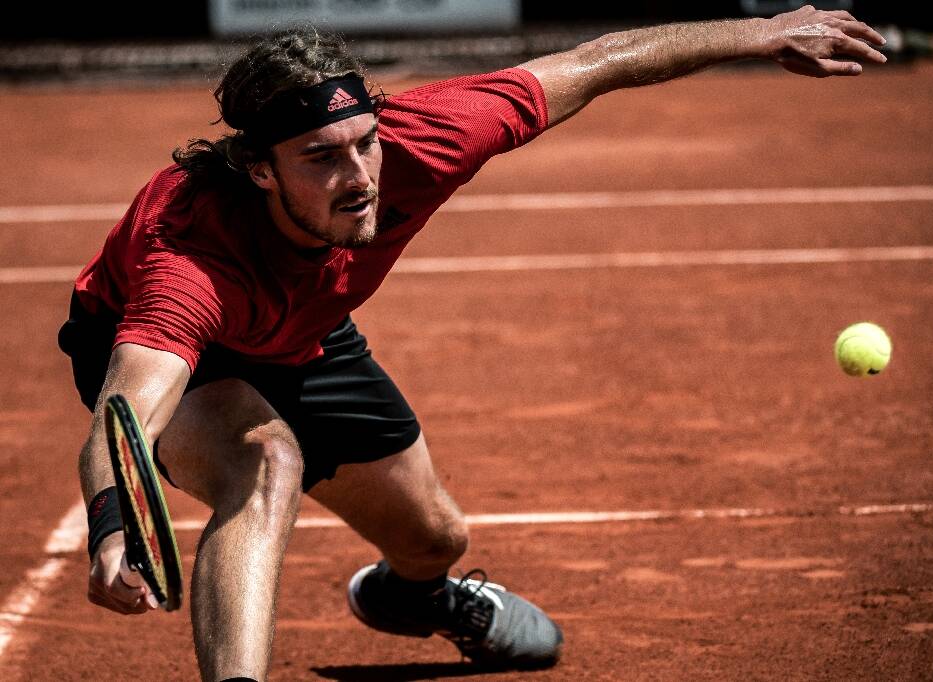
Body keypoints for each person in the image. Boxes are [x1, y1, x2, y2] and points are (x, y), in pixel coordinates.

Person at [59, 5, 886, 681]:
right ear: (260, 170)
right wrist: (109, 523)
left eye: (364, 142)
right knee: (263, 463)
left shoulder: (425, 140)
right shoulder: (191, 263)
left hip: (308, 332)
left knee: (436, 541)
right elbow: (124, 410)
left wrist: (765, 30)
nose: (358, 175)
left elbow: (605, 60)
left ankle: (415, 599)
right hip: (184, 354)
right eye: (320, 157)